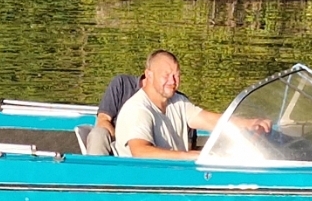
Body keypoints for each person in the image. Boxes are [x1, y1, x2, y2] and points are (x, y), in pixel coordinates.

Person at [114, 50, 269, 159]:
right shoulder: (137, 109)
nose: (172, 81)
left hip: (175, 176)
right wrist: (188, 156)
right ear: (149, 75)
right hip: (147, 182)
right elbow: (140, 152)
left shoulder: (178, 101)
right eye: (166, 75)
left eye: (176, 75)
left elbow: (208, 120)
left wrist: (248, 123)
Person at [85, 73, 142, 156]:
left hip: (144, 145)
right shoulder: (122, 84)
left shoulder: (161, 98)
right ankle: (96, 164)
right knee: (98, 134)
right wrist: (120, 143)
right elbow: (103, 120)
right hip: (117, 141)